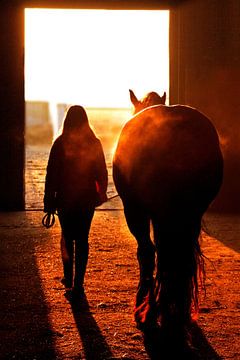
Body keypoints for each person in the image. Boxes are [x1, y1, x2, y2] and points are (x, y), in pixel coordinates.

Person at [44, 105, 108, 297]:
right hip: (86, 199)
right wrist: (101, 194)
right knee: (82, 239)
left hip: (65, 200)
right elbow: (102, 172)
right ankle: (79, 284)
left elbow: (51, 175)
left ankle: (69, 280)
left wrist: (49, 202)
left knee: (67, 237)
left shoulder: (60, 143)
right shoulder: (94, 143)